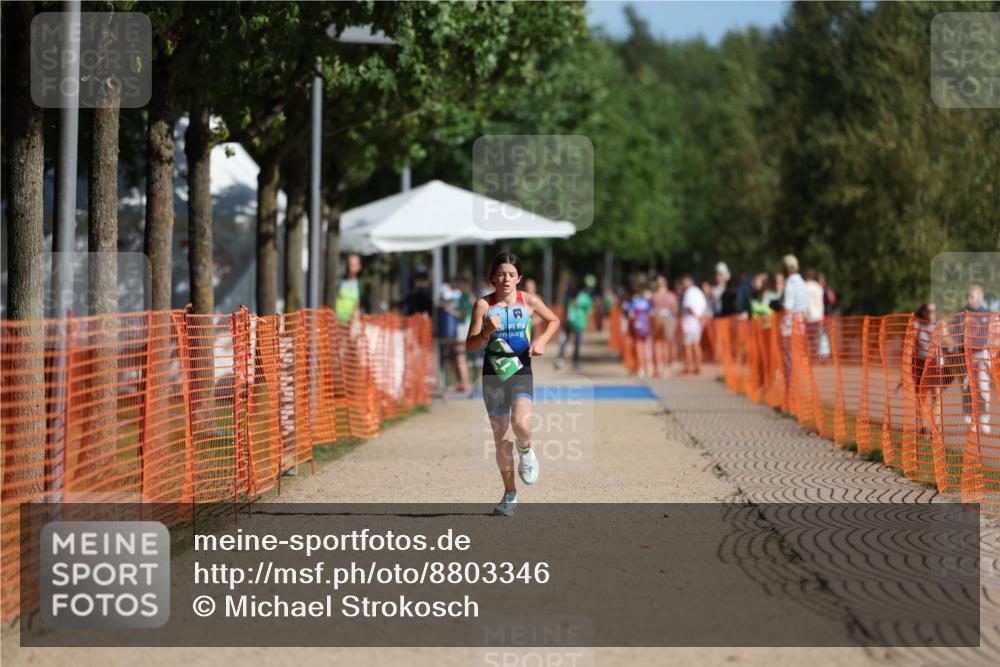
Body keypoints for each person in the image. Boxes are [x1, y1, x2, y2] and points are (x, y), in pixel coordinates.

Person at [466, 252, 560, 517]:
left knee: (521, 424)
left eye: (511, 275)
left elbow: (554, 320)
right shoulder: (483, 305)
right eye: (500, 274)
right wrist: (485, 332)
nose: (505, 279)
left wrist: (541, 341)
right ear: (492, 278)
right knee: (501, 437)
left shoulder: (529, 301)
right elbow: (470, 345)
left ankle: (526, 449)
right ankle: (510, 493)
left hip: (520, 369)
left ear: (519, 278)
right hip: (493, 373)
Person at [950, 285, 992, 434]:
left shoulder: (988, 314)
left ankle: (984, 419)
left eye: (972, 296)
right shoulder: (961, 314)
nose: (969, 298)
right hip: (965, 357)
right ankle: (969, 421)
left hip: (981, 355)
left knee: (983, 388)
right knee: (966, 389)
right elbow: (954, 334)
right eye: (968, 295)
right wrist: (954, 348)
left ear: (980, 297)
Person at [780, 254, 809, 389]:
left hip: (789, 328)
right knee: (797, 360)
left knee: (789, 360)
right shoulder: (803, 283)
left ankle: (790, 391)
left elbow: (788, 308)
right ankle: (797, 390)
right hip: (801, 326)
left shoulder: (790, 285)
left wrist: (778, 309)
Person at [557, 274, 595, 371]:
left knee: (566, 340)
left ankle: (561, 359)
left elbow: (566, 309)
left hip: (570, 321)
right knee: (576, 343)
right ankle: (575, 362)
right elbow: (589, 312)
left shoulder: (571, 296)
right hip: (579, 323)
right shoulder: (586, 297)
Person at [650, 275, 678, 378]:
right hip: (668, 318)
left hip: (657, 318)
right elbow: (675, 309)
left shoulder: (654, 296)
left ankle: (657, 368)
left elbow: (652, 309)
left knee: (657, 344)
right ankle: (665, 368)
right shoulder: (671, 295)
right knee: (665, 344)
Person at [680, 275, 707, 375]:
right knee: (696, 344)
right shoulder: (699, 291)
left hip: (690, 322)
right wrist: (701, 317)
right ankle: (698, 367)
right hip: (698, 323)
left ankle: (688, 367)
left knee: (688, 345)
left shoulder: (689, 292)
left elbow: (689, 307)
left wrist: (697, 317)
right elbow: (704, 306)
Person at [627, 278, 652, 378]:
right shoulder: (647, 301)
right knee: (646, 347)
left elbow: (631, 315)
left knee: (639, 347)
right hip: (646, 325)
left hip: (637, 325)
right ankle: (646, 368)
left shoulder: (634, 301)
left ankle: (640, 369)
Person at [335, 253, 363, 323]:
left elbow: (357, 306)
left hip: (349, 322)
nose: (351, 266)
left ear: (359, 267)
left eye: (354, 264)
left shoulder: (359, 285)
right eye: (350, 263)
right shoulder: (339, 281)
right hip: (335, 320)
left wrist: (355, 321)